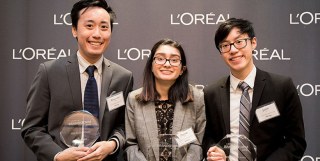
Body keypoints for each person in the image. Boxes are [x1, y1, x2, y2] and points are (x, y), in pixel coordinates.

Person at [21, 0, 133, 161]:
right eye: (89, 26)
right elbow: (32, 128)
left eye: (104, 27)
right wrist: (57, 155)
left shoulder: (123, 77)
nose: (97, 34)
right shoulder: (49, 72)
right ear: (74, 30)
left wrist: (112, 144)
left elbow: (124, 126)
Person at [203, 18, 306, 161]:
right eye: (225, 45)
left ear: (253, 43)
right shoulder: (211, 93)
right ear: (221, 52)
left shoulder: (282, 87)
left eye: (239, 42)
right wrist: (214, 151)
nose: (233, 50)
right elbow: (208, 137)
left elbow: (295, 141)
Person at [124, 38, 206, 161]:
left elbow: (197, 143)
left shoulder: (196, 97)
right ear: (151, 66)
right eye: (160, 58)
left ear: (182, 70)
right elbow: (131, 144)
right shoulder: (134, 99)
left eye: (174, 60)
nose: (167, 64)